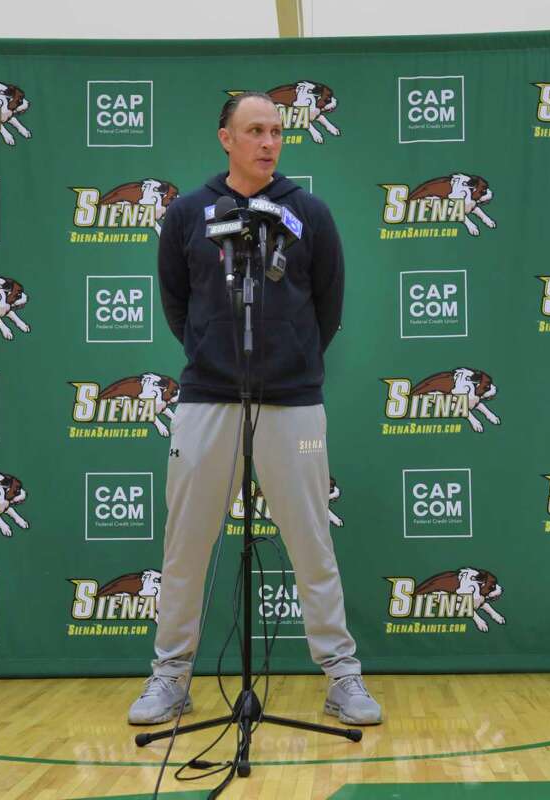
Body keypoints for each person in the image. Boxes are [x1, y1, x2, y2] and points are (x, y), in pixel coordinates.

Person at [127, 91, 381, 726]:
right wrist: (215, 353)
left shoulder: (309, 213)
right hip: (207, 399)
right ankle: (170, 675)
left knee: (312, 541)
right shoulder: (187, 213)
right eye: (256, 131)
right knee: (185, 545)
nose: (269, 143)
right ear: (226, 138)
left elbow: (328, 305)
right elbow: (177, 302)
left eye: (276, 131)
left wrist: (288, 357)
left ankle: (341, 675)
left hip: (292, 402)